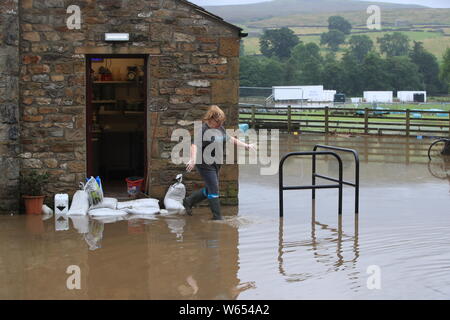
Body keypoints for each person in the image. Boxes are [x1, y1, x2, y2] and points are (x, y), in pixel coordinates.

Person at [184, 105, 256, 220]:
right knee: (214, 188)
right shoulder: (203, 130)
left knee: (210, 188)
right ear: (210, 119)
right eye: (218, 122)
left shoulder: (220, 128)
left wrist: (246, 146)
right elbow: (194, 145)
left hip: (216, 162)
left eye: (221, 122)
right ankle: (217, 218)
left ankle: (189, 201)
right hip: (204, 163)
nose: (220, 125)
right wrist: (192, 159)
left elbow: (230, 138)